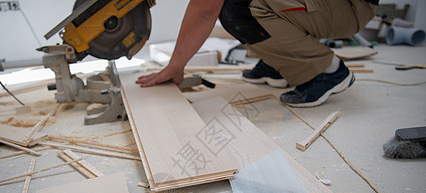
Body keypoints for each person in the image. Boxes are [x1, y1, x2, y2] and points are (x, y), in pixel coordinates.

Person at [136, 0, 378, 107]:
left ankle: (327, 72)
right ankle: (282, 62)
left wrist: (175, 66)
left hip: (347, 6)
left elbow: (206, 8)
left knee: (237, 8)